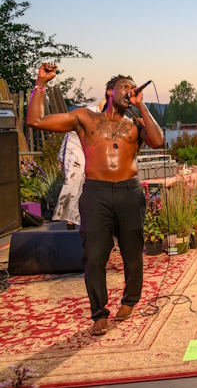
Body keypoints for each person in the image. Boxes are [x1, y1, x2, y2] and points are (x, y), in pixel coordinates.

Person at [27, 64, 165, 336]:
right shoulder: (85, 118)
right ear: (109, 91)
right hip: (96, 193)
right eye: (124, 86)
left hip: (130, 192)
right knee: (93, 256)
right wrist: (40, 83)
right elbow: (36, 122)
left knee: (132, 253)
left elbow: (159, 141)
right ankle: (99, 313)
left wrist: (142, 107)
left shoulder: (136, 125)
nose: (130, 90)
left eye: (133, 87)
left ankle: (129, 301)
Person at [53, 97, 105, 225]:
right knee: (76, 182)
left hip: (85, 161)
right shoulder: (88, 115)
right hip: (78, 160)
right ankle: (72, 222)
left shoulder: (98, 116)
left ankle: (74, 221)